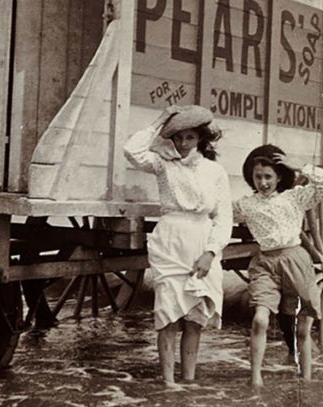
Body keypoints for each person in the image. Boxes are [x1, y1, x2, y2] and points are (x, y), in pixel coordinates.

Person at [123, 105, 233, 386]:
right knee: (167, 316)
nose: (183, 144)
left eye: (190, 138)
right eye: (178, 138)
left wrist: (210, 253)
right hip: (170, 242)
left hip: (201, 242)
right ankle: (169, 385)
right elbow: (132, 151)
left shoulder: (215, 171)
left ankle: (189, 380)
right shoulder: (163, 165)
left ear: (201, 139)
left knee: (195, 319)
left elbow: (223, 217)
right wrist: (160, 121)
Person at [232, 144, 323, 385]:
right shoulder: (246, 205)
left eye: (268, 176)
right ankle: (255, 379)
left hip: (295, 261)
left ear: (279, 177)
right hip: (265, 263)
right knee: (260, 318)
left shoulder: (294, 197)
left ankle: (306, 378)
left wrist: (300, 166)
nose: (263, 182)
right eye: (258, 177)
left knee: (302, 328)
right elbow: (219, 214)